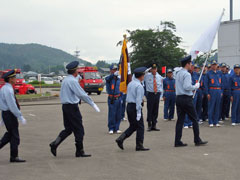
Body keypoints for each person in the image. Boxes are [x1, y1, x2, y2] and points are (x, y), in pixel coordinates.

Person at [49, 61, 100, 158]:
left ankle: (55, 144)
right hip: (72, 107)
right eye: (77, 69)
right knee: (79, 129)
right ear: (75, 71)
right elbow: (81, 94)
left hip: (65, 107)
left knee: (68, 129)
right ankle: (79, 151)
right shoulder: (72, 81)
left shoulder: (66, 80)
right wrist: (92, 103)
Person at [174, 55, 208, 147]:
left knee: (180, 120)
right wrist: (195, 86)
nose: (191, 65)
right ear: (187, 64)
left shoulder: (178, 73)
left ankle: (177, 141)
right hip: (186, 98)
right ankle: (197, 139)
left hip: (179, 98)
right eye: (190, 63)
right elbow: (187, 87)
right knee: (194, 119)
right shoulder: (187, 74)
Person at [115, 67, 150, 151]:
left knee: (133, 126)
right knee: (140, 127)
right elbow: (138, 100)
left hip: (129, 106)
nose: (144, 76)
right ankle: (139, 145)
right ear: (141, 76)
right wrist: (138, 112)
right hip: (135, 107)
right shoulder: (139, 86)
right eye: (144, 75)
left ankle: (121, 138)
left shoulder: (131, 83)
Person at [0, 69, 27, 163]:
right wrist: (20, 116)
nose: (16, 79)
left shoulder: (4, 88)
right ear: (10, 79)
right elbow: (12, 105)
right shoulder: (8, 90)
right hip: (10, 114)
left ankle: (13, 156)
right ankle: (14, 157)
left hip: (6, 114)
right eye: (14, 77)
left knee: (9, 135)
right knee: (14, 136)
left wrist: (3, 119)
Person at [144, 63, 163, 131]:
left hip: (157, 94)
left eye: (155, 69)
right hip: (150, 94)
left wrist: (161, 96)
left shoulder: (159, 77)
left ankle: (154, 125)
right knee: (150, 110)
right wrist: (148, 69)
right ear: (151, 69)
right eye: (152, 69)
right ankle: (149, 124)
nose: (154, 70)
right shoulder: (147, 76)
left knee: (155, 110)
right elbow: (143, 73)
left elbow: (161, 86)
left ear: (156, 69)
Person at [204, 60, 223, 127]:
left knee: (217, 107)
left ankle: (216, 121)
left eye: (215, 65)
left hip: (218, 90)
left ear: (217, 65)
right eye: (213, 65)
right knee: (211, 107)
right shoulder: (208, 73)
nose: (214, 66)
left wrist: (221, 91)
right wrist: (207, 93)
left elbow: (222, 83)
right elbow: (206, 84)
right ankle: (211, 122)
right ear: (211, 66)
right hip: (212, 90)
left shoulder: (219, 73)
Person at [105, 64, 122, 134]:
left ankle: (117, 127)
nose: (115, 71)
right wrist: (113, 75)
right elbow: (108, 79)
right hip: (112, 98)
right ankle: (111, 128)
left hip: (119, 98)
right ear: (110, 70)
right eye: (113, 69)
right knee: (112, 114)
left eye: (116, 69)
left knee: (118, 114)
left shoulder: (118, 79)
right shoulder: (109, 78)